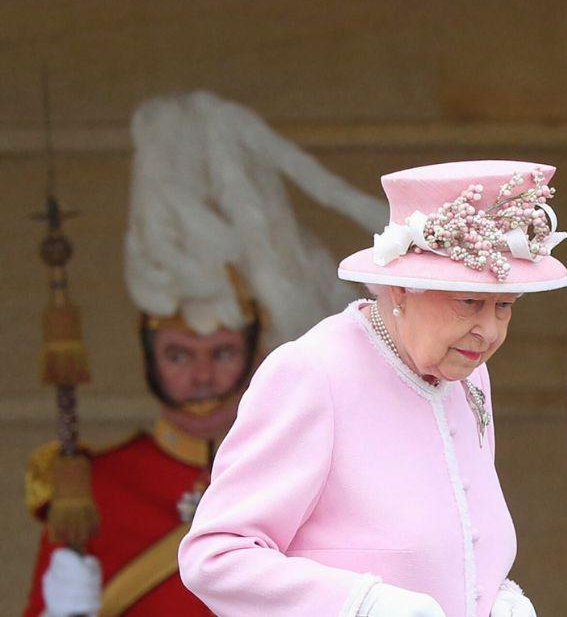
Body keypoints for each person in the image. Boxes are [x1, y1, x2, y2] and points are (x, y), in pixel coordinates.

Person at [23, 90, 386, 617]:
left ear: (256, 351)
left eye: (220, 352)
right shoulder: (95, 486)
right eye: (177, 355)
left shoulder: (308, 467)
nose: (200, 375)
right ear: (148, 356)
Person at [178, 160, 567, 616]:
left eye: (505, 306)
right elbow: (216, 556)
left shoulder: (465, 372)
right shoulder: (312, 373)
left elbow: (458, 542)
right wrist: (362, 606)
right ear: (402, 289)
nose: (488, 330)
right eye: (470, 302)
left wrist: (498, 597)